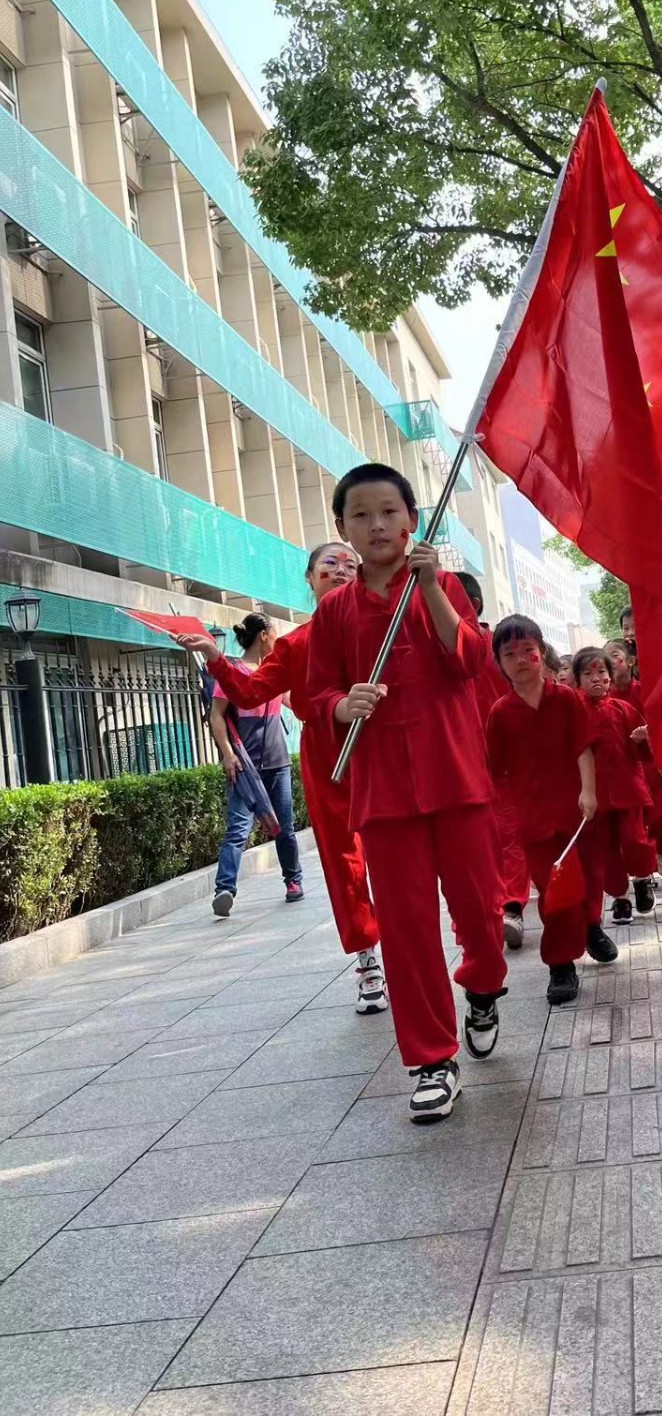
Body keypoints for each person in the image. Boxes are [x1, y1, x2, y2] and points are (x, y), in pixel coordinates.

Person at [307, 463, 508, 1122]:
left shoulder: (440, 585)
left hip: (455, 778)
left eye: (389, 511)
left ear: (412, 520)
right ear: (343, 528)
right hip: (385, 793)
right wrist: (342, 706)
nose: (377, 525)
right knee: (407, 931)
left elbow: (469, 659)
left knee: (481, 915)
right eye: (361, 515)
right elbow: (315, 694)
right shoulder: (334, 612)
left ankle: (483, 986)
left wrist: (428, 586)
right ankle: (432, 1060)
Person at [178, 545, 387, 1014]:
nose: (341, 570)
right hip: (327, 756)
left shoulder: (384, 628)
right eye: (329, 565)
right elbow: (250, 690)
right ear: (310, 579)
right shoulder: (295, 644)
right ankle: (368, 960)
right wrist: (214, 656)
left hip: (384, 751)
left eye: (350, 565)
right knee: (344, 861)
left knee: (395, 854)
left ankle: (407, 948)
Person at [487, 615, 599, 1004]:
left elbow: (583, 748)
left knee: (587, 881)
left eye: (528, 650)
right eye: (510, 653)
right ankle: (560, 965)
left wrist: (589, 791)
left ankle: (592, 927)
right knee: (552, 893)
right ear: (499, 663)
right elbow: (495, 772)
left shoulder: (566, 699)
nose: (520, 659)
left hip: (576, 810)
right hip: (532, 820)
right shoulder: (500, 713)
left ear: (542, 653)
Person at [206, 614, 305, 912]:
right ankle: (224, 889)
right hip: (245, 765)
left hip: (278, 761)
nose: (278, 638)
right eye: (275, 632)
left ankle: (293, 880)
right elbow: (216, 715)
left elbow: (295, 703)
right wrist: (228, 754)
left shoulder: (275, 671)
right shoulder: (233, 672)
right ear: (263, 635)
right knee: (238, 828)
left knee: (284, 826)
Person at [453, 572, 530, 951]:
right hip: (458, 765)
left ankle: (511, 907)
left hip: (503, 761)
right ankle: (490, 910)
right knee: (479, 844)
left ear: (473, 605)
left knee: (510, 835)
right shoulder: (436, 650)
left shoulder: (499, 648)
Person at [573, 647, 659, 928]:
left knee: (635, 840)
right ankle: (620, 898)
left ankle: (643, 878)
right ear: (578, 679)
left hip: (627, 788)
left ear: (610, 676)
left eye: (601, 672)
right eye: (588, 674)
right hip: (597, 796)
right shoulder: (575, 713)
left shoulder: (623, 709)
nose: (596, 678)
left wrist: (642, 739)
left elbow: (645, 750)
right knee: (607, 849)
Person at [607, 638, 662, 872]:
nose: (610, 660)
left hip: (650, 762)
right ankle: (643, 866)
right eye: (606, 656)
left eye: (615, 655)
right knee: (635, 821)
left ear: (631, 661)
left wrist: (649, 733)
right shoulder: (604, 697)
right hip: (623, 767)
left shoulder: (645, 691)